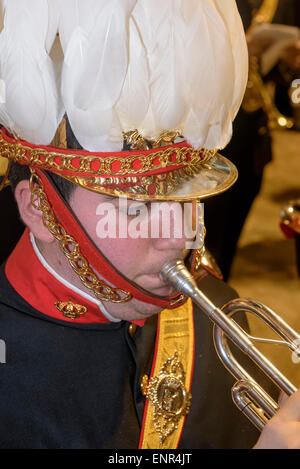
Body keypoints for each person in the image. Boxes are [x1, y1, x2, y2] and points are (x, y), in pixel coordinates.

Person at [0, 0, 299, 450]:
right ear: (40, 209)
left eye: (186, 200)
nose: (181, 236)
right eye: (134, 207)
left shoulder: (215, 309)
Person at [204, 0, 300, 281]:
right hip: (211, 138)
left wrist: (285, 57)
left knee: (229, 237)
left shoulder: (281, 3)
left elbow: (284, 77)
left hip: (253, 136)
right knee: (205, 238)